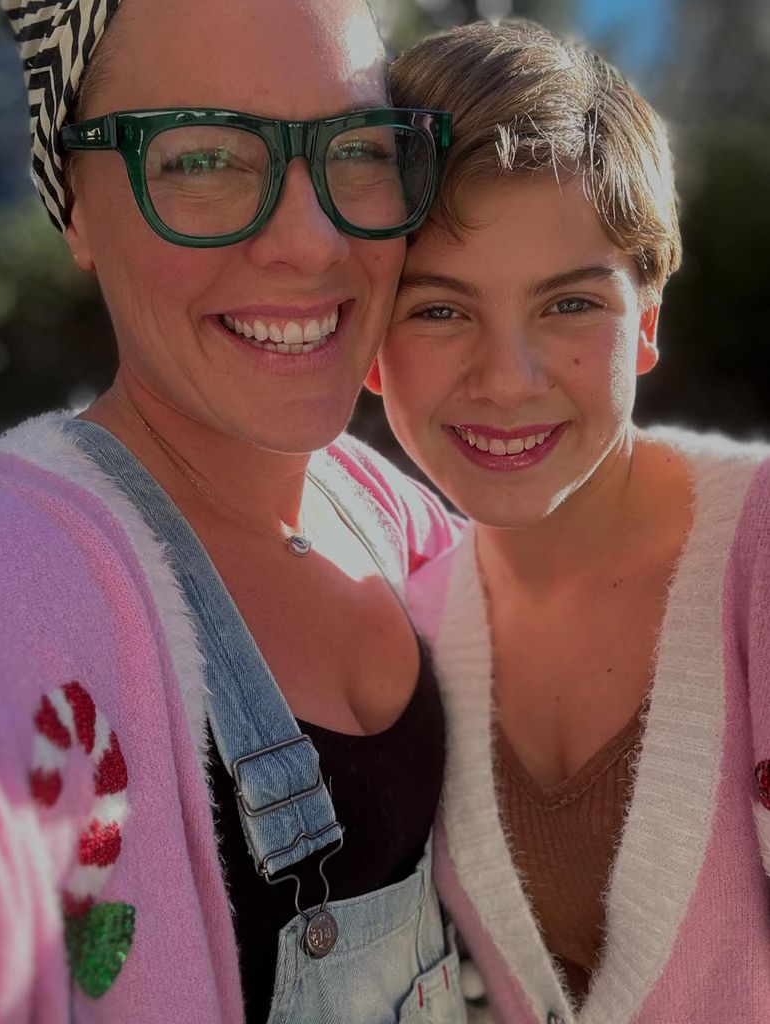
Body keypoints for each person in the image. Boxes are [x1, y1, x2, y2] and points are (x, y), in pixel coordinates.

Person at [0, 1, 468, 1022]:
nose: (312, 242)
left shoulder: (393, 513)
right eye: (199, 159)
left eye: (356, 147)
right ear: (76, 210)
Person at [367, 19, 770, 1024]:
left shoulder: (758, 549)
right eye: (440, 310)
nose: (509, 380)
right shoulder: (410, 628)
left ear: (647, 318)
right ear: (366, 345)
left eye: (569, 305)